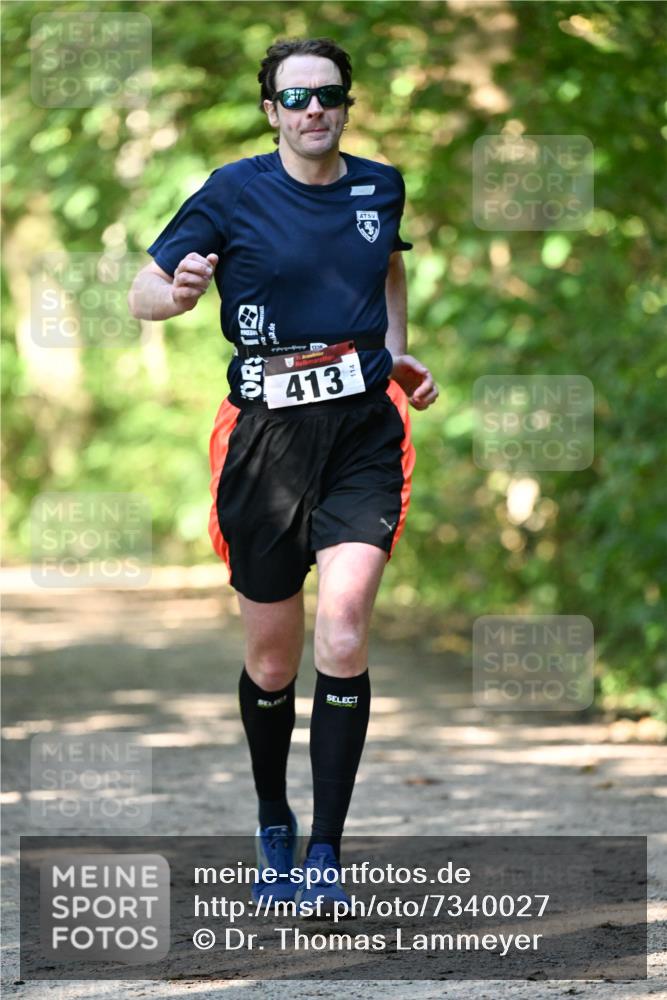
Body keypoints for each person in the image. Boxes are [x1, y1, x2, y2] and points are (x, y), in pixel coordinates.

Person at [129, 36, 438, 915]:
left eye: (328, 96)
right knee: (272, 661)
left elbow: (385, 267)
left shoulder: (380, 183)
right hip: (262, 439)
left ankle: (325, 853)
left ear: (346, 104)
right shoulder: (232, 190)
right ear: (271, 111)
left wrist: (396, 353)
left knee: (342, 632)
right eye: (295, 98)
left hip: (362, 435)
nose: (313, 110)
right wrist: (180, 290)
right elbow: (140, 293)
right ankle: (273, 818)